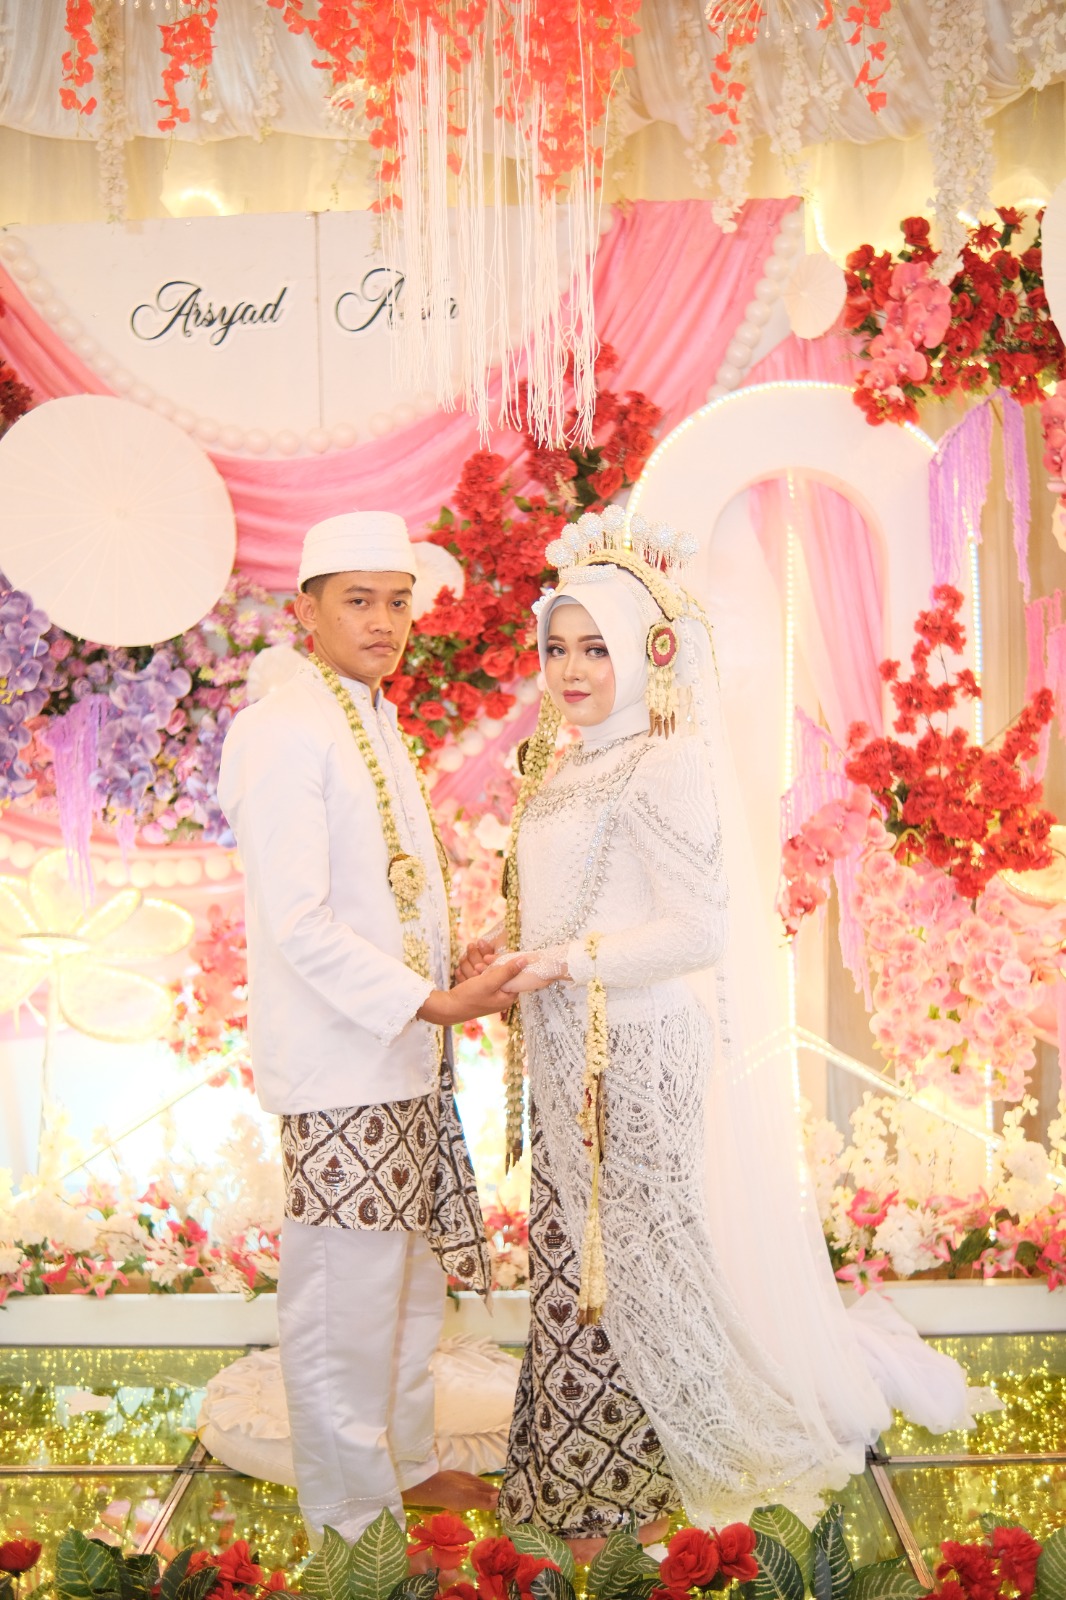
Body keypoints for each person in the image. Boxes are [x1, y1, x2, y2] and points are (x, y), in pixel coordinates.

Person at [461, 507, 989, 1552]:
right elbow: (575, 899)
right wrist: (507, 940)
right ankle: (578, 1470)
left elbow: (695, 929)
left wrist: (566, 962)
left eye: (596, 648)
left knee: (634, 1263)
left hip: (636, 1048)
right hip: (566, 1045)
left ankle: (631, 1471)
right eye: (558, 648)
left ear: (644, 652)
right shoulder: (565, 763)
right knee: (572, 1255)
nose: (572, 670)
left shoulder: (663, 761)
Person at [218, 510, 540, 1549]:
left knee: (405, 1289)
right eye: (358, 600)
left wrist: (454, 961)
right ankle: (351, 1520)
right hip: (340, 1068)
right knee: (342, 1301)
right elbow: (299, 920)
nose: (384, 621)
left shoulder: (369, 716)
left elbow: (383, 897)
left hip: (403, 1054)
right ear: (305, 610)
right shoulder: (282, 727)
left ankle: (403, 1464)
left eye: (398, 601)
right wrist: (428, 1000)